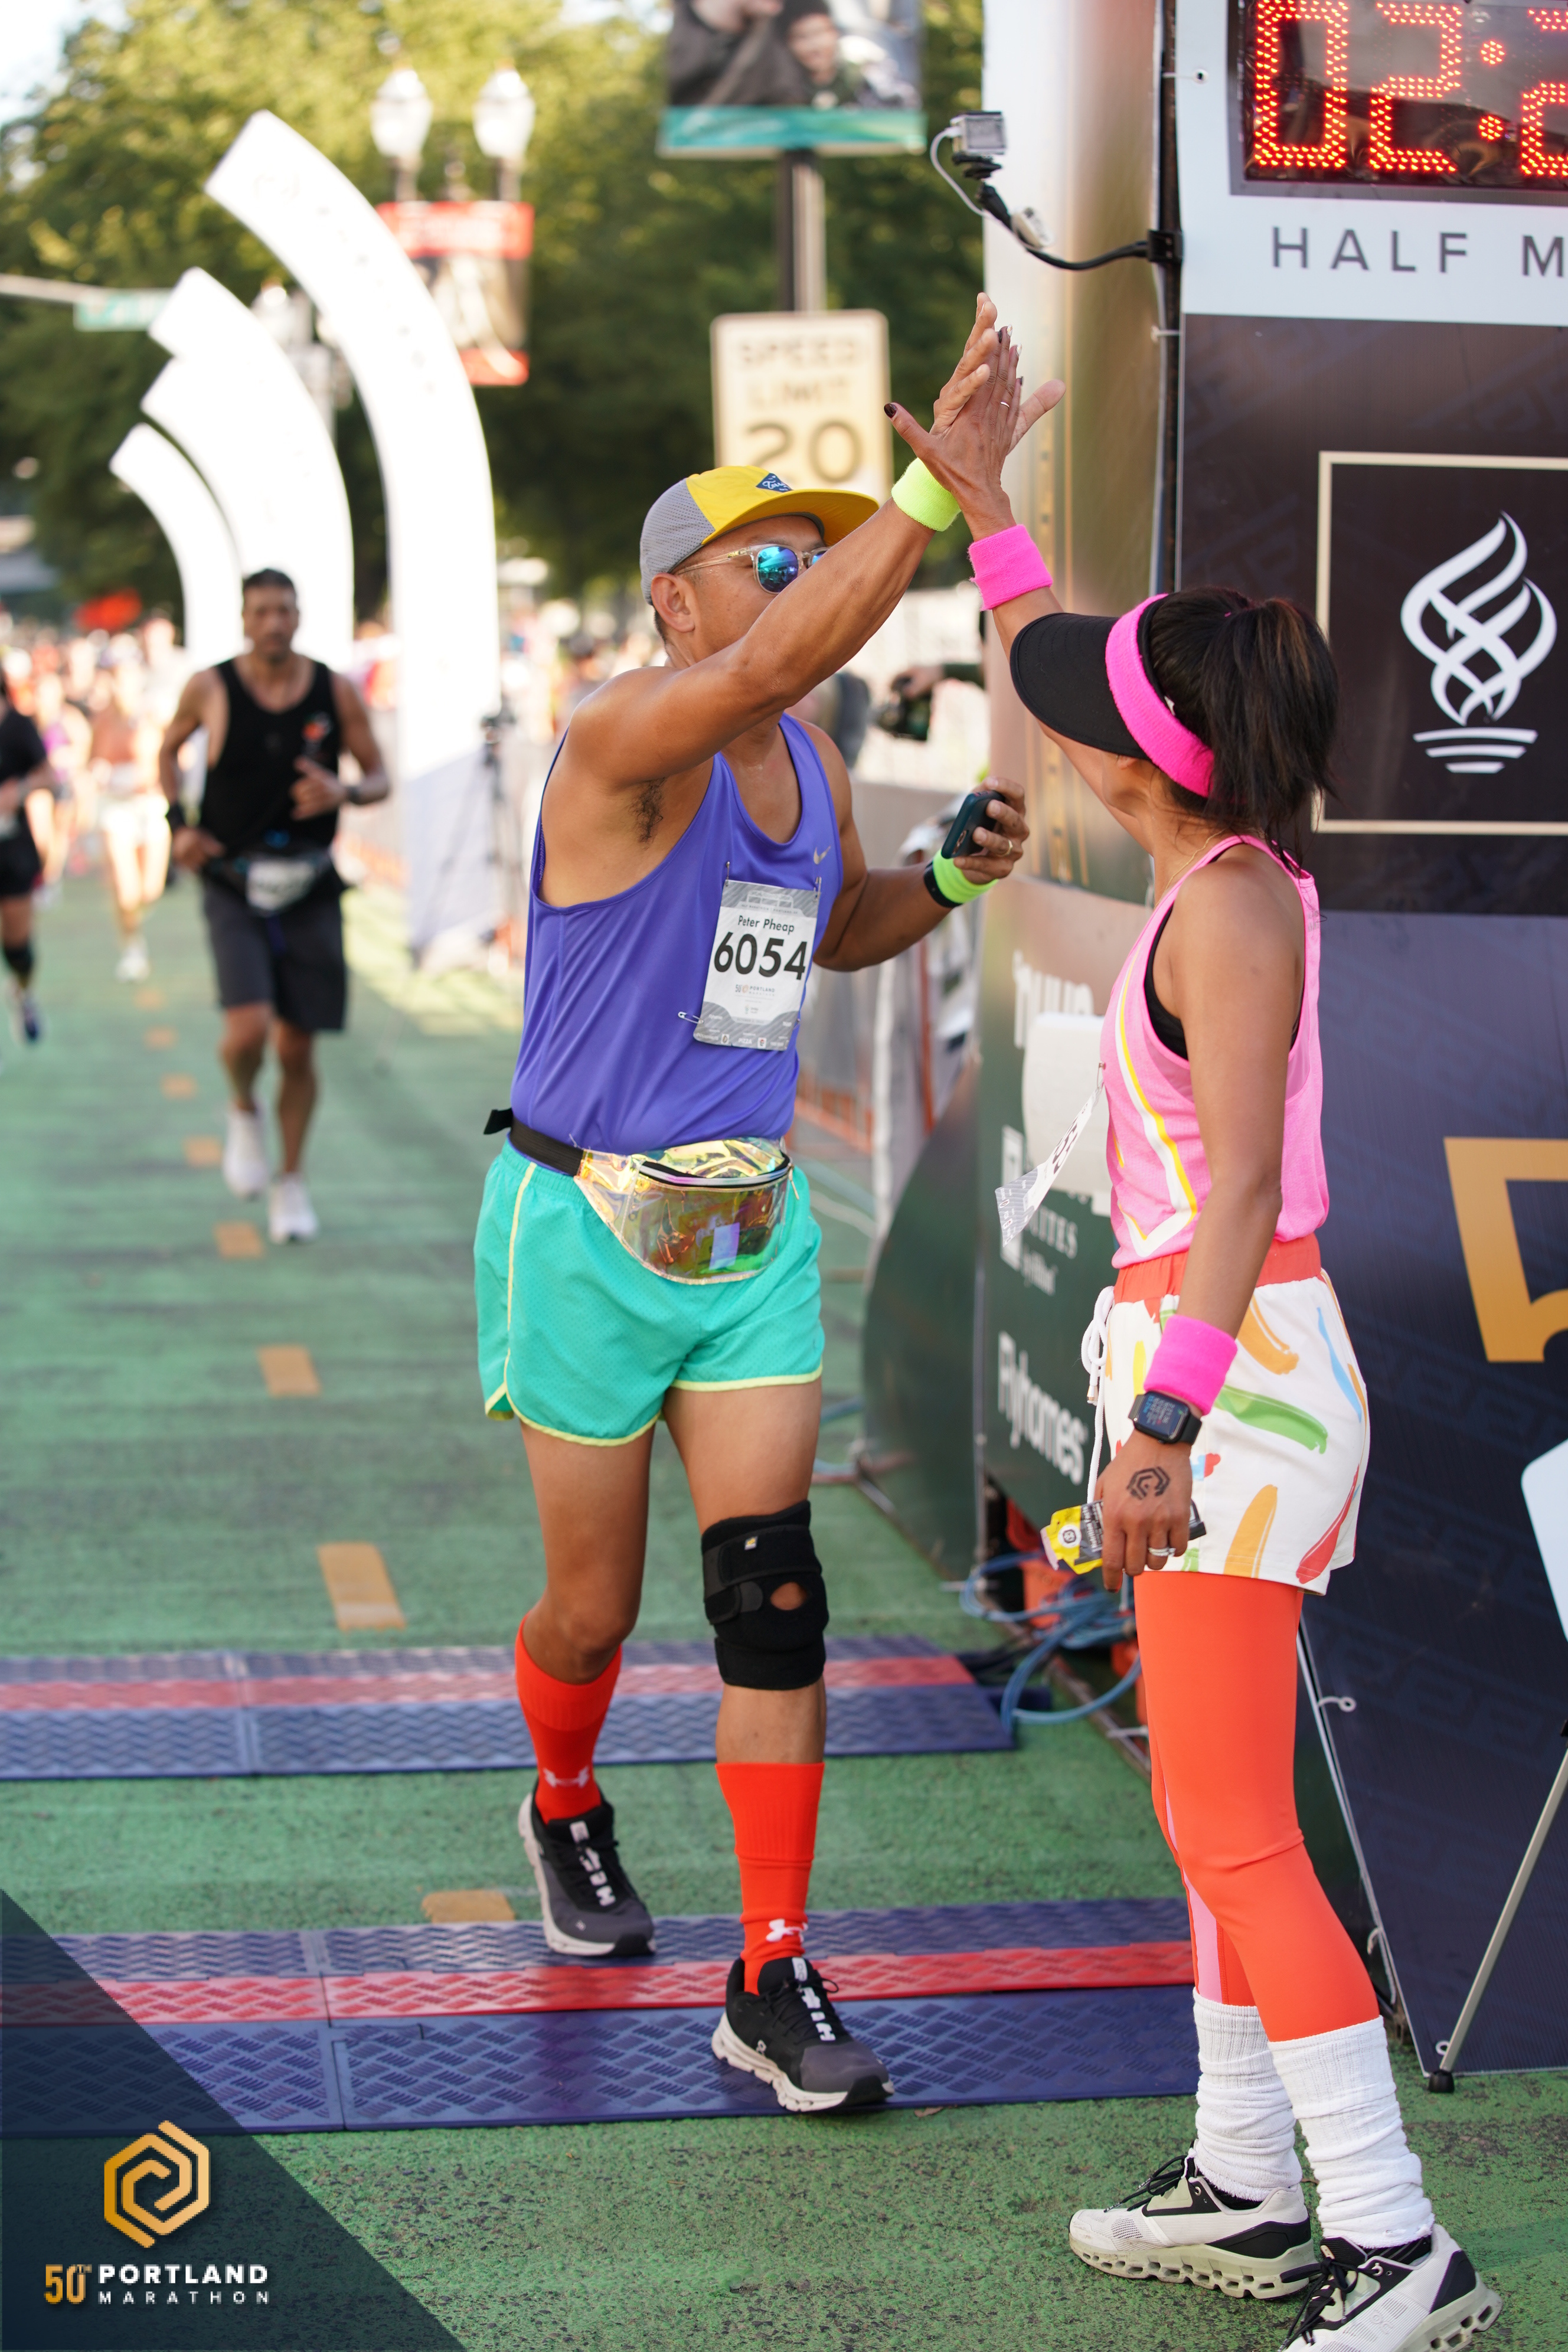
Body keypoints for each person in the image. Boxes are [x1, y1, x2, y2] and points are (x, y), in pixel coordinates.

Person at [893, 313, 1501, 2351]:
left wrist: (1157, 1420)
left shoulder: (1228, 904)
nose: (1057, 719)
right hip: (1211, 1381)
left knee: (1235, 1827)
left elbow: (1240, 1188)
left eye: (1092, 711)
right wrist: (984, 511)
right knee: (1207, 1813)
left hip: (1226, 1388)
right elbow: (1050, 657)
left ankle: (1397, 2244)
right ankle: (1248, 2184)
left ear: (1144, 759)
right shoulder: (1205, 864)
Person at [473, 308, 1051, 2115]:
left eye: (811, 554)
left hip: (744, 1240)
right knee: (590, 1610)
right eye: (768, 559)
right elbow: (797, 648)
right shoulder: (621, 736)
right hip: (582, 1229)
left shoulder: (804, 763)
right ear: (677, 600)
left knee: (770, 1593)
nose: (799, 582)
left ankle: (771, 1968)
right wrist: (934, 495)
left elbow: (827, 930)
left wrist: (944, 875)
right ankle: (563, 1798)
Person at [158, 569, 390, 1244]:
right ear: (243, 619)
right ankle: (241, 1108)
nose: (273, 623)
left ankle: (290, 1181)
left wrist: (345, 793)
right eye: (261, 611)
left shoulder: (333, 689)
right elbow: (166, 751)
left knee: (296, 1046)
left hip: (309, 885)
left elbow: (378, 776)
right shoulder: (211, 687)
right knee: (247, 1031)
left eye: (283, 611)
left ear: (298, 616)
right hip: (232, 880)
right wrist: (178, 826)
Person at [90, 653, 166, 982]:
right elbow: (94, 760)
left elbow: (169, 757)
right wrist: (100, 773)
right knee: (126, 889)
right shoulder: (102, 718)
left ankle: (135, 925)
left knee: (149, 890)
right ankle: (133, 949)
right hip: (115, 808)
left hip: (149, 806)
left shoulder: (153, 715)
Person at [0, 668, 52, 1047]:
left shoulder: (17, 725)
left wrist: (18, 790)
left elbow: (49, 776)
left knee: (17, 946)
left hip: (13, 850)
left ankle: (24, 993)